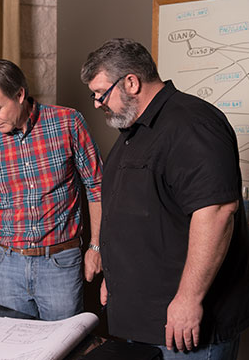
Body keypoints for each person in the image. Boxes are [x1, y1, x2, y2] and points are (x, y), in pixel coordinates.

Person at [80, 38, 249, 359]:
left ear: (131, 82)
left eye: (101, 93)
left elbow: (216, 212)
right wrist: (115, 281)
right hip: (140, 319)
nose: (98, 103)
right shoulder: (134, 133)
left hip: (182, 324)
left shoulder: (192, 123)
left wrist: (188, 299)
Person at [0, 58, 103, 322]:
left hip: (60, 263)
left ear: (20, 94)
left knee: (65, 345)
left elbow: (97, 187)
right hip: (6, 266)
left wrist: (97, 247)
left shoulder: (68, 123)